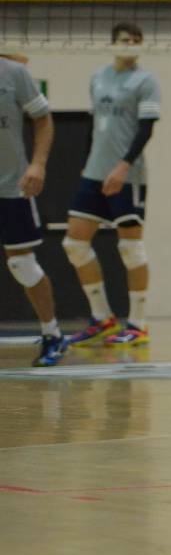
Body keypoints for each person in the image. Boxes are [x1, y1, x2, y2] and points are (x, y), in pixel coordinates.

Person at [59, 23, 162, 348]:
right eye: (125, 40)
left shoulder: (145, 81)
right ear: (113, 43)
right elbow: (94, 124)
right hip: (94, 173)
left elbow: (146, 129)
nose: (130, 45)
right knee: (74, 244)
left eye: (136, 41)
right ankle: (102, 318)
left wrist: (122, 165)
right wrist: (87, 161)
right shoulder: (98, 77)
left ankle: (138, 324)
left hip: (127, 176)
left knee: (131, 249)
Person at [0, 52, 64, 366]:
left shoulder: (13, 73)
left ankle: (52, 334)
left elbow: (43, 119)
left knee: (22, 264)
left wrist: (38, 164)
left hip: (11, 185)